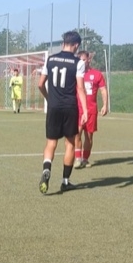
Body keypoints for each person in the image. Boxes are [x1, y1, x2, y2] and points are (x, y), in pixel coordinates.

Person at [37, 31, 88, 194]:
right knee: (70, 143)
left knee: (51, 143)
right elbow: (80, 88)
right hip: (69, 107)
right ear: (76, 45)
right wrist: (85, 110)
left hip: (53, 107)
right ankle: (65, 181)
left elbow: (40, 84)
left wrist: (49, 98)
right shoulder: (78, 62)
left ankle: (47, 169)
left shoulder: (50, 59)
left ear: (63, 42)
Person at [74, 51, 109, 169]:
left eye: (84, 60)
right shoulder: (75, 74)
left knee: (89, 136)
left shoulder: (97, 74)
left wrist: (105, 105)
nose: (83, 62)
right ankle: (77, 159)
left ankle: (85, 159)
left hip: (91, 110)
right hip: (78, 109)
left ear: (89, 60)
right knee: (77, 133)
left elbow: (103, 90)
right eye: (80, 60)